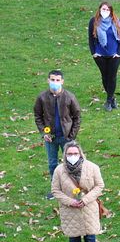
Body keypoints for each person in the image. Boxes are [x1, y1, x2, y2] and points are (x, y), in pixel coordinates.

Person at [51, 141, 104, 242]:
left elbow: (99, 186)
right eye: (70, 154)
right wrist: (70, 202)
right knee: (73, 235)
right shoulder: (59, 170)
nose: (73, 156)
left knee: (90, 235)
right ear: (65, 155)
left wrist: (85, 200)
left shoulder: (92, 167)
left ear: (80, 154)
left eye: (75, 153)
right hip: (69, 209)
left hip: (88, 207)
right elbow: (55, 190)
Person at [34, 69, 81, 199]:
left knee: (72, 163)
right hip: (51, 139)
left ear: (62, 81)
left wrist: (71, 136)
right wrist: (44, 132)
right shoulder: (42, 98)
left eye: (57, 80)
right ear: (48, 80)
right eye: (52, 80)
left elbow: (77, 117)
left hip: (66, 137)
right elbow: (38, 115)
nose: (55, 82)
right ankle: (56, 190)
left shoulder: (69, 97)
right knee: (52, 164)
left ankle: (74, 189)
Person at [88, 1, 120, 111]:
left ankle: (108, 101)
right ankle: (111, 99)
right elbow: (91, 38)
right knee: (105, 76)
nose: (105, 11)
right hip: (100, 55)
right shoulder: (94, 21)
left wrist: (118, 53)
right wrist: (94, 53)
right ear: (99, 10)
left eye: (107, 10)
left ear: (111, 11)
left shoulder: (116, 21)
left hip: (114, 55)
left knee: (112, 76)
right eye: (103, 9)